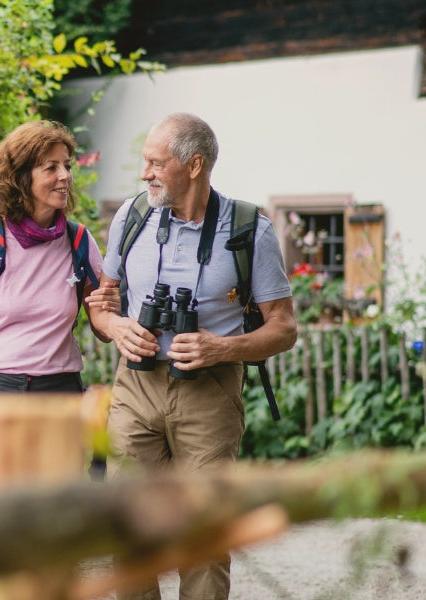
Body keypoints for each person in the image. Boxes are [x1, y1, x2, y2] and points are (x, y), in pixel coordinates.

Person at [88, 113, 298, 600]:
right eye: (145, 162)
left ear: (194, 164)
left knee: (203, 535)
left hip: (210, 391)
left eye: (155, 163)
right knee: (130, 526)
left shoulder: (249, 229)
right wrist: (117, 327)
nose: (145, 174)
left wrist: (221, 346)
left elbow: (284, 327)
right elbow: (102, 303)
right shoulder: (132, 215)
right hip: (135, 386)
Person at [0, 120, 117, 395]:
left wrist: (115, 311)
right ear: (21, 177)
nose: (65, 175)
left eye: (66, 165)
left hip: (60, 391)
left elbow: (102, 330)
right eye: (51, 167)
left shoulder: (78, 241)